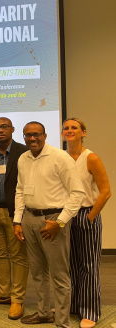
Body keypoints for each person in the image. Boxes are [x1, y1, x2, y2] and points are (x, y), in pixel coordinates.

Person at [14, 121, 85, 327]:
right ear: (24, 137)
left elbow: (77, 194)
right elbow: (20, 190)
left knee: (59, 275)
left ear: (44, 136)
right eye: (28, 135)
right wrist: (18, 220)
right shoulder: (23, 158)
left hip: (53, 220)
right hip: (29, 218)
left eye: (37, 134)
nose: (32, 138)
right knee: (37, 272)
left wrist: (60, 222)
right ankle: (44, 312)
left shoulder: (59, 157)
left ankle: (62, 322)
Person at [62, 118, 111, 328]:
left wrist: (90, 216)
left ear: (83, 132)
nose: (70, 130)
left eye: (74, 127)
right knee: (69, 265)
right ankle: (73, 305)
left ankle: (90, 311)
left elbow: (106, 192)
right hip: (65, 216)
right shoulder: (61, 158)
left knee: (88, 266)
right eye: (66, 128)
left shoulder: (91, 158)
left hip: (85, 214)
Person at [0, 118, 30, 320]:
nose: (0, 130)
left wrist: (20, 216)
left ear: (12, 129)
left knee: (18, 256)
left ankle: (17, 299)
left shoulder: (22, 152)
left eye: (4, 127)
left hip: (14, 213)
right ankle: (4, 293)